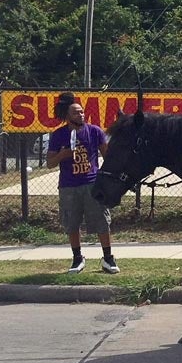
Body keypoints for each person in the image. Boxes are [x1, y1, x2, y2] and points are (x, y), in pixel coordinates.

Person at [45, 92, 118, 274]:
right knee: (72, 223)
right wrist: (63, 155)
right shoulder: (59, 135)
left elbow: (107, 155)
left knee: (102, 221)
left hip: (92, 183)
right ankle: (77, 259)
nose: (81, 115)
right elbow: (49, 163)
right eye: (76, 113)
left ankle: (108, 259)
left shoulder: (94, 131)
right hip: (69, 186)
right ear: (67, 116)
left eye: (82, 112)